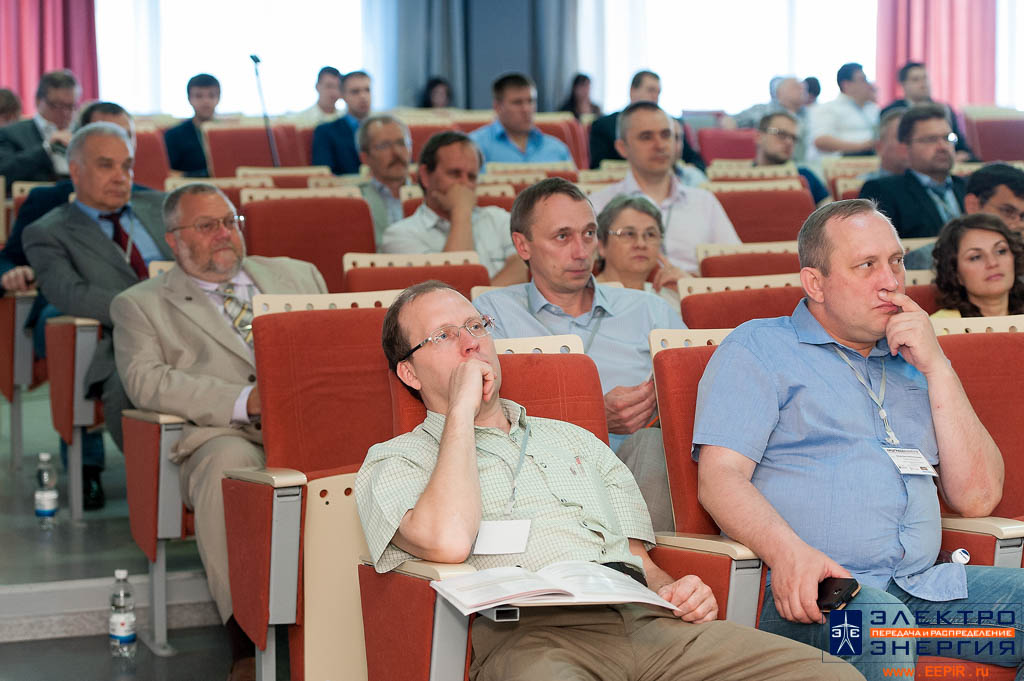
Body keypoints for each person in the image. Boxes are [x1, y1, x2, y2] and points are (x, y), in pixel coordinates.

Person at [356, 279, 864, 681]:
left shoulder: (575, 439)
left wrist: (677, 590)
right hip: (532, 638)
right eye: (445, 336)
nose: (472, 343)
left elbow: (638, 559)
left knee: (832, 675)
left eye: (476, 326)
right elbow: (447, 540)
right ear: (410, 374)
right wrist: (462, 412)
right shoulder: (394, 461)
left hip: (645, 621)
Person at [694, 198, 1023, 680]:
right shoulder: (759, 347)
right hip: (809, 591)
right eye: (867, 265)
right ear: (816, 283)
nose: (890, 281)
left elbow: (978, 498)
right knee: (882, 623)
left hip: (919, 590)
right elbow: (719, 479)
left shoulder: (912, 359)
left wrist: (937, 366)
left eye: (896, 261)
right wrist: (789, 554)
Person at [111, 182, 327, 681]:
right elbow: (146, 382)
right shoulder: (140, 304)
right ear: (174, 240)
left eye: (230, 222)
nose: (224, 233)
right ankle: (246, 641)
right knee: (229, 469)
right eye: (207, 226)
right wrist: (244, 401)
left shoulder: (299, 275)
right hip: (220, 433)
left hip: (311, 424)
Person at [475, 178, 685, 531]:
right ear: (522, 245)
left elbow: (697, 398)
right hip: (539, 473)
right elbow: (482, 410)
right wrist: (591, 415)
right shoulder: (494, 313)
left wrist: (658, 408)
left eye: (588, 234)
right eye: (562, 237)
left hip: (635, 469)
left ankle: (637, 556)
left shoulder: (650, 310)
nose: (581, 251)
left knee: (654, 444)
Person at [22, 122, 172, 506]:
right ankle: (164, 493)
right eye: (106, 165)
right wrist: (151, 313)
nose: (121, 177)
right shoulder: (48, 232)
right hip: (123, 340)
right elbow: (71, 294)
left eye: (127, 166)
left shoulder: (162, 208)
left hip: (199, 327)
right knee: (131, 379)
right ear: (75, 171)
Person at [589, 102, 739, 273]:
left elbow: (733, 267)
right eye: (646, 137)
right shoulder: (598, 205)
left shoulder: (704, 202)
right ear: (622, 148)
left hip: (693, 287)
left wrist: (691, 283)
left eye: (666, 135)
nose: (660, 145)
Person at [381, 131, 526, 285]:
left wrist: (481, 298)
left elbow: (524, 267)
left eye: (471, 177)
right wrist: (461, 211)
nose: (464, 184)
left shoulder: (499, 219)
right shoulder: (399, 236)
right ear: (425, 176)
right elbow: (452, 286)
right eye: (454, 174)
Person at [860, 103, 965, 238]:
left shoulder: (967, 187)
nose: (943, 147)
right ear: (905, 148)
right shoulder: (883, 191)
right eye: (931, 139)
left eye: (947, 138)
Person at [903, 163, 1024, 269]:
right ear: (973, 205)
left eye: (1023, 216)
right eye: (1008, 211)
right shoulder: (927, 260)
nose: (1019, 224)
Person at [588, 70, 705, 171]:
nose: (655, 97)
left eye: (658, 92)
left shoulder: (671, 124)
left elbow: (696, 161)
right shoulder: (604, 125)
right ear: (632, 91)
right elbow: (598, 167)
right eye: (651, 90)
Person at [595, 195, 685, 310]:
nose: (641, 244)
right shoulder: (586, 299)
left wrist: (689, 289)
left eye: (650, 234)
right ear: (601, 246)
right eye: (629, 234)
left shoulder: (671, 299)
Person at [930, 213, 1024, 318]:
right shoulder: (937, 325)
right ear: (955, 272)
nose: (993, 263)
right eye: (976, 257)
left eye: (1001, 251)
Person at [469, 73, 573, 166]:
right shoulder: (474, 146)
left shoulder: (558, 149)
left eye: (531, 101)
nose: (526, 109)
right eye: (517, 102)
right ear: (497, 107)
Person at [0, 70, 79, 190]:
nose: (65, 112)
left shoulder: (82, 132)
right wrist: (47, 149)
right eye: (57, 105)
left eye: (70, 106)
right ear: (38, 101)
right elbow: (4, 173)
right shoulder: (11, 133)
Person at [880, 62, 974, 161]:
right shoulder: (891, 112)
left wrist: (962, 154)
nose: (923, 84)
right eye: (916, 80)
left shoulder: (944, 109)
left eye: (925, 78)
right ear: (903, 85)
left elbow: (959, 143)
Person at [357, 113, 411, 244]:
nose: (397, 152)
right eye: (385, 146)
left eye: (401, 143)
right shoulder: (356, 202)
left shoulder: (430, 196)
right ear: (365, 158)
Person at [807, 63, 878, 161]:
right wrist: (864, 146)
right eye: (863, 80)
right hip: (843, 163)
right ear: (846, 85)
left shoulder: (872, 109)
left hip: (873, 161)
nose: (868, 85)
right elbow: (821, 141)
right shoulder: (829, 108)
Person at [755, 111, 829, 205]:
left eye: (793, 138)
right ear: (759, 137)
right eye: (781, 134)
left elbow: (831, 210)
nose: (789, 142)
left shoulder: (805, 176)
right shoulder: (740, 177)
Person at [731, 77, 808, 160]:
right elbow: (730, 122)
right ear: (779, 92)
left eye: (804, 88)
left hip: (797, 164)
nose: (802, 90)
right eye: (795, 86)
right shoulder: (761, 109)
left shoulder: (807, 115)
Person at [312, 70, 373, 175]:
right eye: (355, 92)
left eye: (367, 90)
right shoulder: (325, 132)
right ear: (342, 95)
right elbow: (324, 175)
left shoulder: (386, 129)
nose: (363, 96)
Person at [164, 73, 220, 178]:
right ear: (189, 99)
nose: (206, 101)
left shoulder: (228, 134)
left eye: (211, 95)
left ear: (218, 98)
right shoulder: (173, 135)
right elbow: (168, 173)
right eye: (199, 96)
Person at [859, 108, 909, 182]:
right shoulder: (866, 184)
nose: (909, 144)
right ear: (879, 147)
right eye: (901, 138)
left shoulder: (926, 183)